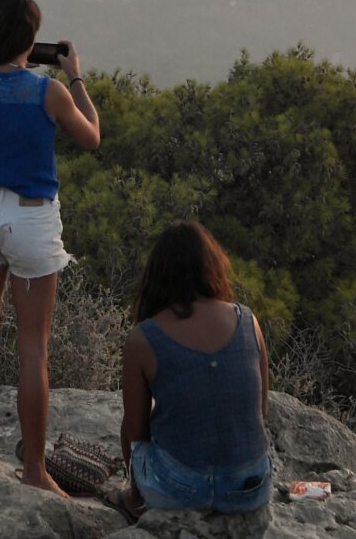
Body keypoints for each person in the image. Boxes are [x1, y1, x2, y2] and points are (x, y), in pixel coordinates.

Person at [0, 0, 100, 498]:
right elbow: (92, 137)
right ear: (31, 40)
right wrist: (75, 75)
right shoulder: (48, 92)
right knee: (33, 351)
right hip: (30, 218)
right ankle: (34, 469)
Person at [106, 221, 272, 519]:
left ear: (156, 274)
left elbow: (137, 430)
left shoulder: (143, 337)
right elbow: (261, 411)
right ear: (213, 266)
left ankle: (133, 498)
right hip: (250, 488)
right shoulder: (248, 321)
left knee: (126, 426)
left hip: (180, 491)